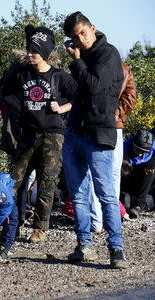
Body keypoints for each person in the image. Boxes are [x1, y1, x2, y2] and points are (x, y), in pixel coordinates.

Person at [62, 11, 128, 269]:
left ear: (93, 28)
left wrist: (77, 62)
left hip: (98, 134)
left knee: (106, 195)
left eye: (83, 33)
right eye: (75, 37)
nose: (81, 40)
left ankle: (117, 249)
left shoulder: (107, 53)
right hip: (75, 133)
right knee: (78, 195)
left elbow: (94, 87)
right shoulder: (83, 56)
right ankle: (84, 245)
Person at [2, 25, 76, 243]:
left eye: (34, 50)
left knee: (47, 182)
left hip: (53, 135)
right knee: (15, 181)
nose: (29, 54)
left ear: (44, 53)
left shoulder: (60, 76)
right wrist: (20, 106)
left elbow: (77, 99)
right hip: (27, 134)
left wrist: (61, 109)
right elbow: (5, 93)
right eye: (28, 49)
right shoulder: (21, 73)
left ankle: (40, 228)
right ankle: (10, 226)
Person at [89, 62, 137, 232]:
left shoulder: (93, 65)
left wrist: (113, 114)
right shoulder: (122, 67)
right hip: (110, 125)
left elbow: (130, 96)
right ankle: (106, 220)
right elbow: (131, 96)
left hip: (106, 125)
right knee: (108, 174)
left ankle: (101, 221)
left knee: (98, 173)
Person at [121, 129, 155, 217]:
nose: (140, 154)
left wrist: (152, 162)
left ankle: (139, 204)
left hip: (144, 178)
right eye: (138, 150)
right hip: (129, 176)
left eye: (144, 152)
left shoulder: (152, 144)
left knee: (151, 171)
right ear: (133, 145)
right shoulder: (124, 148)